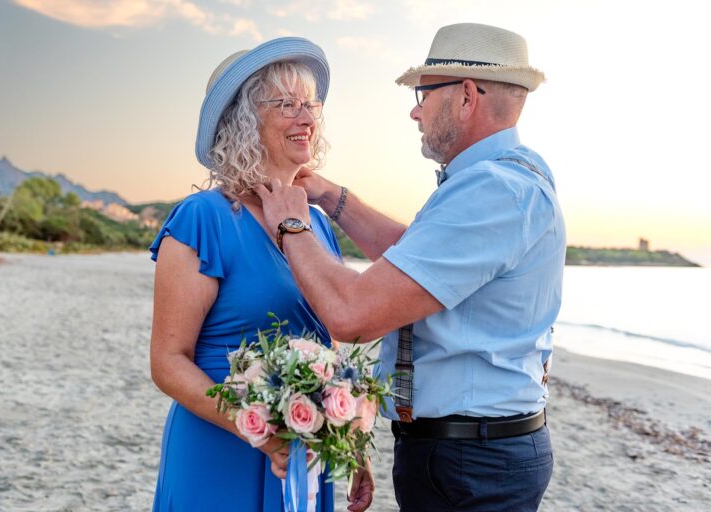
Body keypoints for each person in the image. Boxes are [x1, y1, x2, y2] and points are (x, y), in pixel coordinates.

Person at [253, 23, 566, 511]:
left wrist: (292, 225)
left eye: (424, 93)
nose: (415, 110)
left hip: (470, 462)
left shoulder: (493, 191)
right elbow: (414, 258)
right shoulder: (501, 180)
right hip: (470, 453)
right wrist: (330, 195)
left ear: (465, 97)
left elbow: (351, 314)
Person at [149, 37, 373, 512]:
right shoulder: (202, 218)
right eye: (286, 105)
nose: (307, 117)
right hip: (219, 447)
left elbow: (329, 345)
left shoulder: (315, 227)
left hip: (308, 451)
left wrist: (348, 435)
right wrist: (257, 430)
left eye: (310, 104)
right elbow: (168, 362)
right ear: (245, 122)